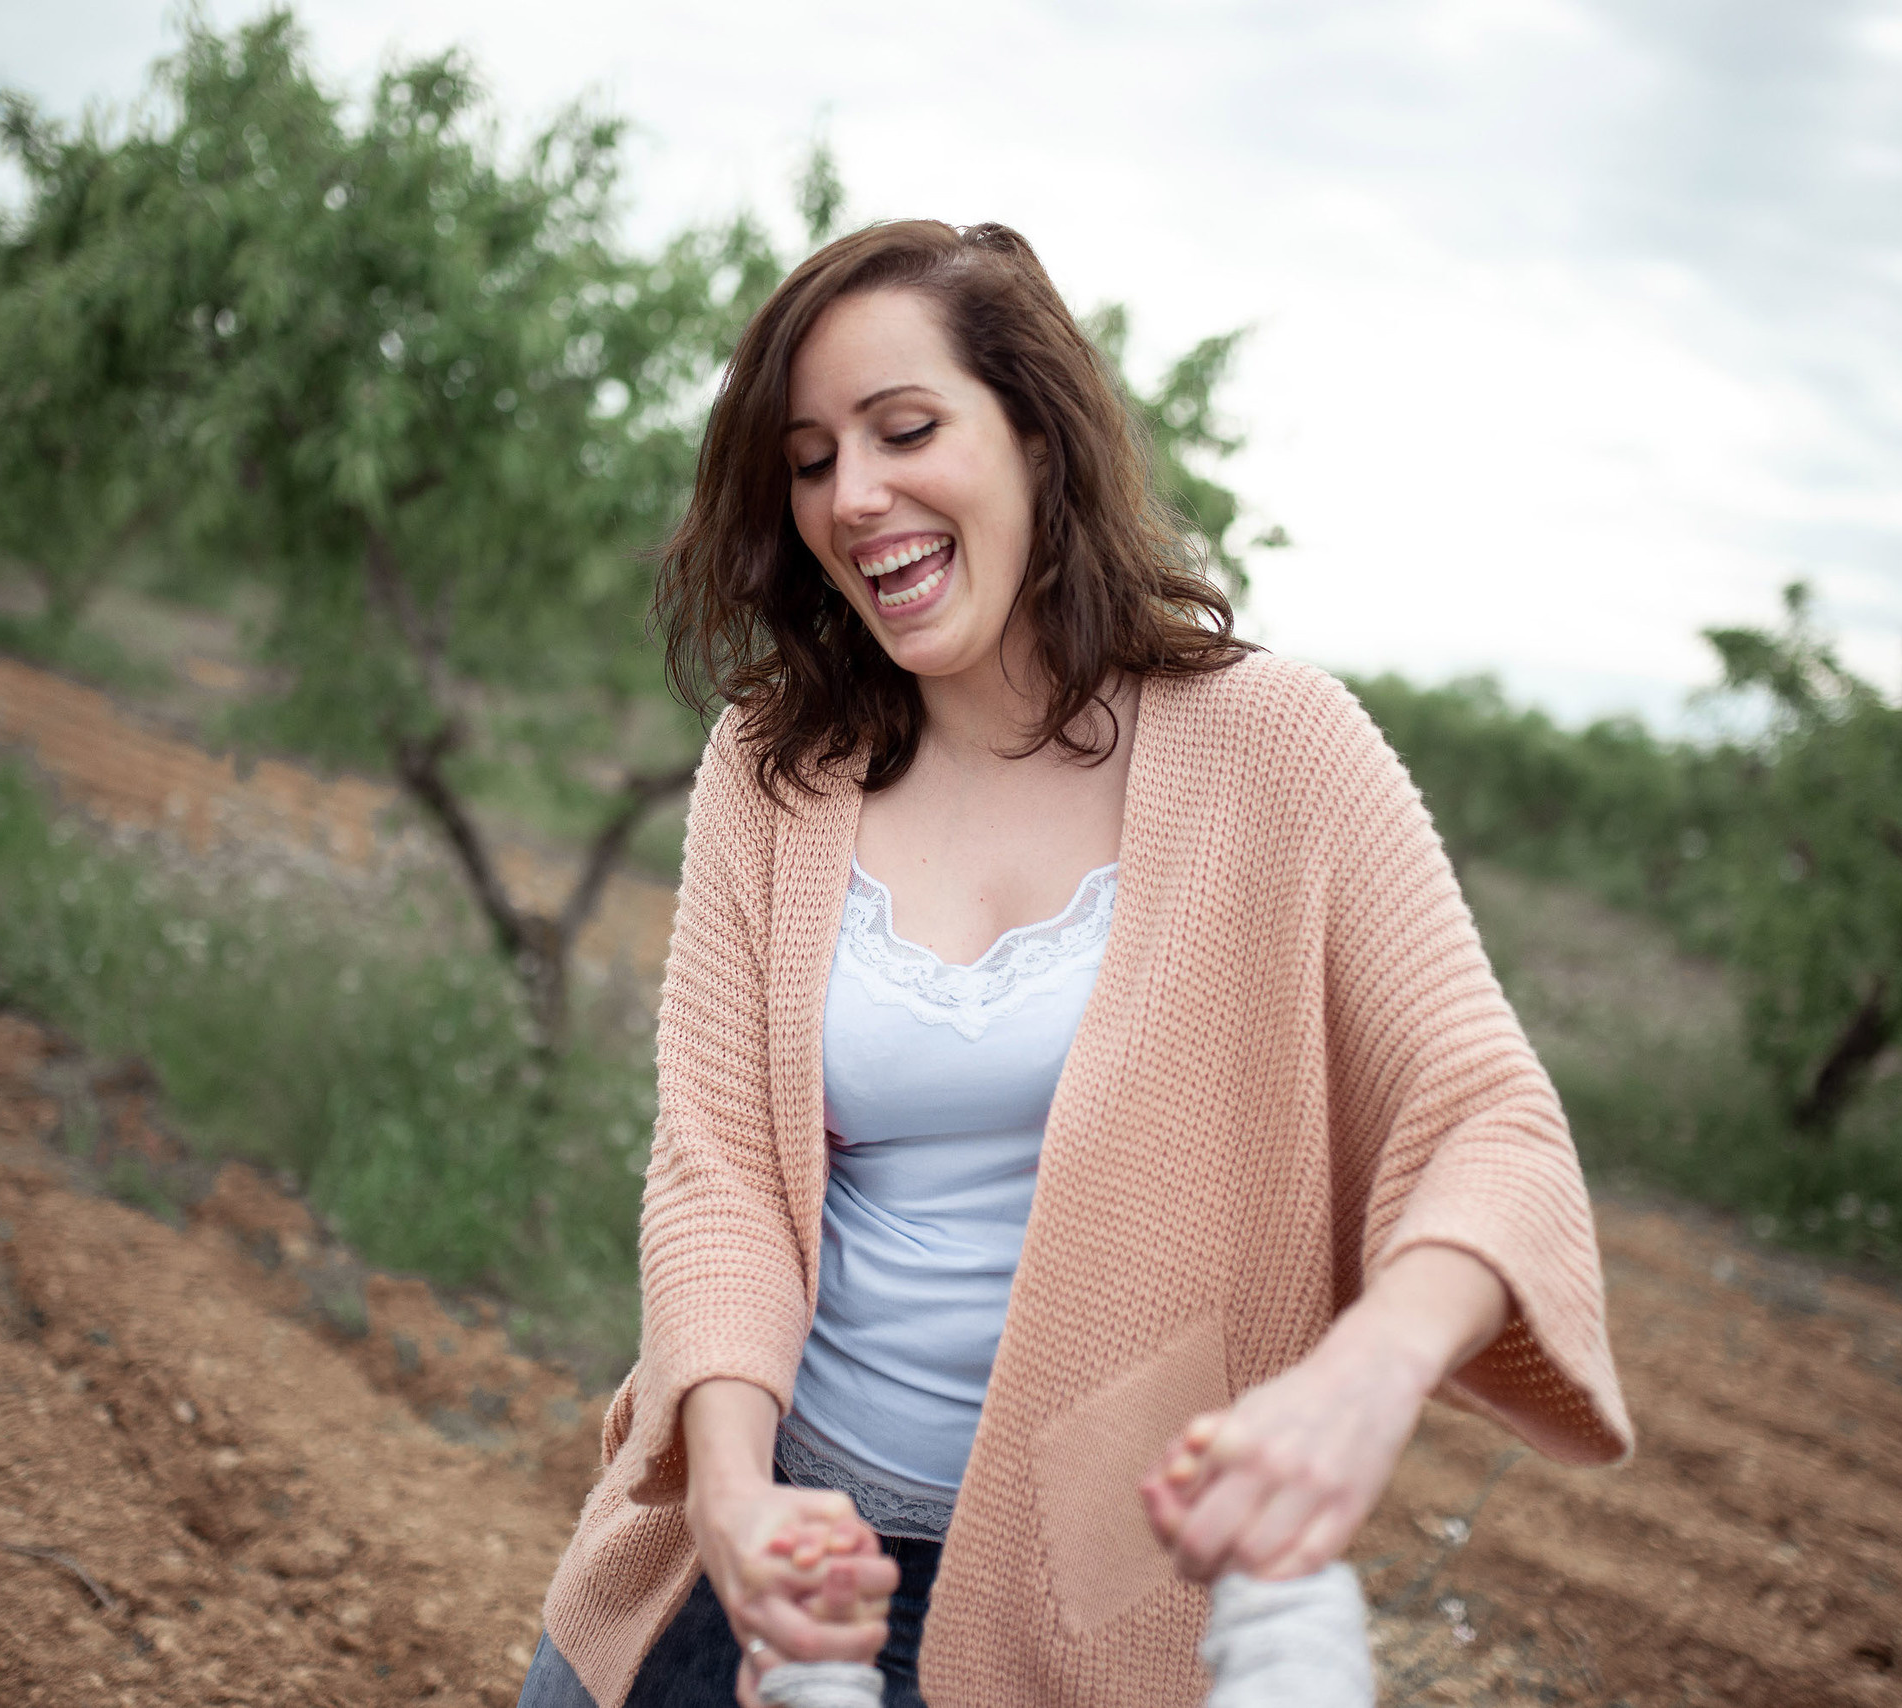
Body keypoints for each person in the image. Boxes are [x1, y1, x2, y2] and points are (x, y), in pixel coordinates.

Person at [518, 221, 1631, 1708]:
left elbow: (1488, 1124)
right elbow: (716, 1168)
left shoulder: (1277, 749)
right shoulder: (774, 765)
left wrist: (1361, 1385)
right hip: (765, 1572)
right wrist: (728, 1495)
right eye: (807, 459)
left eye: (907, 429)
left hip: (1083, 1607)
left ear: (1037, 434)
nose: (857, 496)